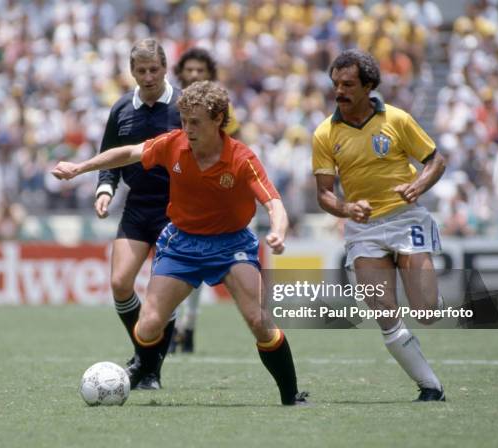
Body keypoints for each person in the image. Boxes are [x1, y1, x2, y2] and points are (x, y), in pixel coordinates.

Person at [53, 81, 309, 406]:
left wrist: (278, 231)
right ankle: (145, 370)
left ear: (218, 120)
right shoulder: (173, 145)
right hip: (182, 243)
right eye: (184, 120)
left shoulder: (242, 159)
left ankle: (292, 396)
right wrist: (81, 168)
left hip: (232, 246)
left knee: (259, 320)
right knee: (147, 327)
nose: (187, 128)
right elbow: (129, 152)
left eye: (195, 122)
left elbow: (274, 202)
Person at [312, 49, 447, 402]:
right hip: (364, 229)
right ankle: (430, 387)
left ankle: (430, 294)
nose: (339, 91)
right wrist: (345, 209)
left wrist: (418, 185)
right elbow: (324, 194)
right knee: (385, 315)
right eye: (335, 84)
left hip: (406, 220)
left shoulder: (397, 120)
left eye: (348, 84)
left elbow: (436, 160)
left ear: (369, 86)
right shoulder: (325, 133)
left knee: (428, 312)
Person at [94, 38, 181, 390]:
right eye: (141, 70)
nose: (148, 76)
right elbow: (109, 158)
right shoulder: (120, 110)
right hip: (137, 207)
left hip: (177, 209)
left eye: (154, 69)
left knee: (162, 295)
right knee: (120, 283)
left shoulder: (182, 106)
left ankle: (150, 370)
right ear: (131, 72)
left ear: (165, 68)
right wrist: (104, 189)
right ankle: (142, 355)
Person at [168, 47, 240, 353]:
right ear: (181, 73)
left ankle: (189, 325)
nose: (195, 75)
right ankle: (171, 327)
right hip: (173, 186)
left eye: (201, 71)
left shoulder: (223, 111)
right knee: (171, 260)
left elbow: (232, 147)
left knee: (196, 261)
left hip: (208, 192)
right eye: (190, 70)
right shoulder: (170, 105)